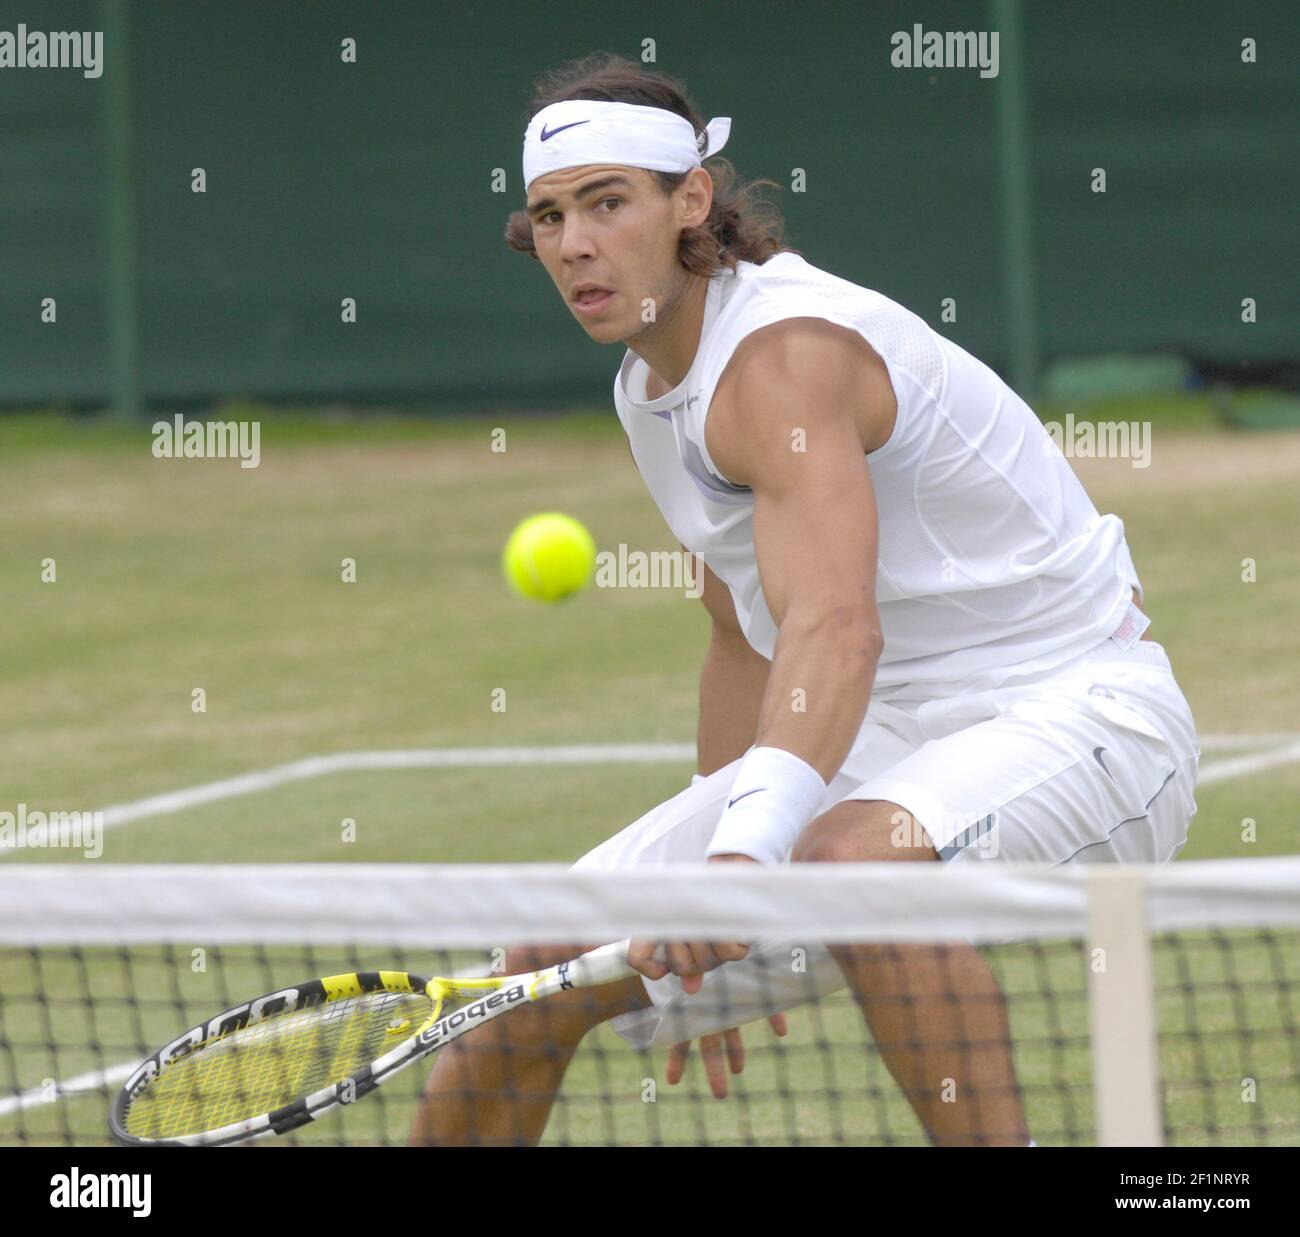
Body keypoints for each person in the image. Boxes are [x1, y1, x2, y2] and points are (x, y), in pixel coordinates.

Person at [410, 53, 1200, 1147]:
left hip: (1082, 711)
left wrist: (741, 868)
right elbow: (742, 630)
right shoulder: (648, 386)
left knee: (848, 864)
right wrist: (706, 900)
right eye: (549, 216)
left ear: (691, 199)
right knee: (542, 963)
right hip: (887, 734)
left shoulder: (783, 358)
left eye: (606, 203)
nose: (574, 244)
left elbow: (835, 627)